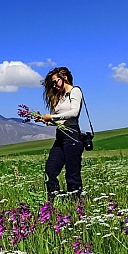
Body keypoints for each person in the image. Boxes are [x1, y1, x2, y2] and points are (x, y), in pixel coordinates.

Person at [34, 67, 84, 203]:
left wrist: (52, 117)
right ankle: (52, 200)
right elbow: (59, 121)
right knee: (50, 169)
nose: (54, 85)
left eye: (55, 82)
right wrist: (45, 120)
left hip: (72, 135)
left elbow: (74, 112)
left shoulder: (75, 91)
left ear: (64, 78)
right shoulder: (60, 98)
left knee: (72, 173)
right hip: (60, 136)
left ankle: (76, 203)